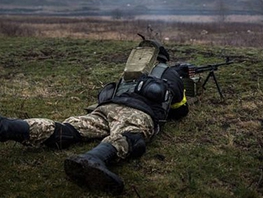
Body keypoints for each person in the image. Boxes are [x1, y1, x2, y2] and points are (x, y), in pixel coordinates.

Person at [0, 39, 189, 195]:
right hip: (137, 113)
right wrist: (179, 79)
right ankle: (94, 158)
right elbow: (180, 110)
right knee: (131, 137)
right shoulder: (170, 74)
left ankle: (10, 127)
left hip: (105, 109)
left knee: (68, 130)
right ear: (165, 60)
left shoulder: (131, 73)